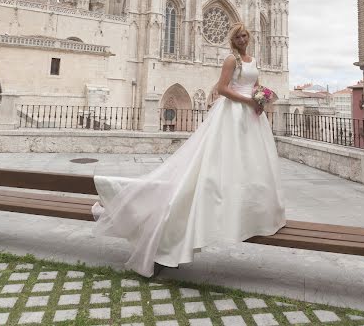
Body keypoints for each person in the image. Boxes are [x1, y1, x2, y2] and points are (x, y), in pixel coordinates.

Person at [92, 22, 286, 277]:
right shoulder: (230, 60)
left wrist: (261, 97)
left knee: (253, 164)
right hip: (234, 115)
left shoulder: (252, 60)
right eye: (238, 35)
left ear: (249, 37)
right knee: (220, 162)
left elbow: (256, 85)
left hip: (251, 117)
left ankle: (250, 213)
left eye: (245, 35)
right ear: (233, 39)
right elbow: (222, 89)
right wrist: (250, 100)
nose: (242, 38)